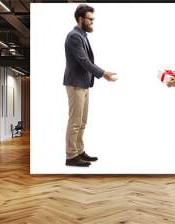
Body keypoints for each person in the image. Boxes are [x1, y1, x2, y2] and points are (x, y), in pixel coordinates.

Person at [64, 4, 117, 167]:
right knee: (75, 121)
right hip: (75, 84)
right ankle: (71, 156)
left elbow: (86, 61)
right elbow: (84, 61)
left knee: (82, 121)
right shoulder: (74, 36)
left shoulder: (82, 35)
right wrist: (103, 73)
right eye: (90, 19)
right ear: (81, 19)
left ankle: (79, 151)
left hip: (84, 83)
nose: (92, 22)